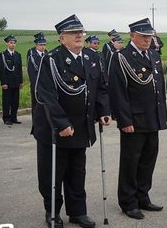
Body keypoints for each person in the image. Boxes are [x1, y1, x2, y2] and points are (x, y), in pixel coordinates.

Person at [32, 14, 111, 228]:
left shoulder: (92, 57)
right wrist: (61, 123)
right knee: (53, 174)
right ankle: (52, 212)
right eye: (72, 33)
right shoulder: (51, 59)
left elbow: (101, 88)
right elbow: (44, 94)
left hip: (82, 126)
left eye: (80, 32)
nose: (78, 35)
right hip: (55, 128)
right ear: (61, 38)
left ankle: (77, 212)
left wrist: (103, 111)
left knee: (77, 171)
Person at [107, 18, 167, 220]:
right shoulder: (122, 57)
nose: (147, 40)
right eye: (143, 36)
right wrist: (125, 121)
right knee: (131, 162)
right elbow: (118, 91)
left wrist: (162, 115)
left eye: (149, 36)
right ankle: (128, 201)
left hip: (152, 118)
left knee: (148, 160)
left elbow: (159, 87)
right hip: (135, 120)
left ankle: (143, 196)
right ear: (132, 36)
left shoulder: (153, 55)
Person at [0, 35, 23, 125]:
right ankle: (6, 118)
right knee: (7, 101)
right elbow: (1, 70)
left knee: (15, 102)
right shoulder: (3, 55)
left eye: (14, 43)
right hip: (7, 83)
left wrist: (21, 82)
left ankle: (14, 117)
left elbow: (19, 69)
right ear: (7, 43)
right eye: (11, 43)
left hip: (16, 82)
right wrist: (3, 82)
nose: (12, 45)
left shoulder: (18, 55)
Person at [27, 32, 48, 118]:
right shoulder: (32, 55)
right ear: (36, 45)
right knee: (36, 103)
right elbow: (31, 72)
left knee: (45, 103)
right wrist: (36, 85)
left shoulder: (46, 53)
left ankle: (44, 119)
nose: (43, 46)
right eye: (40, 45)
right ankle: (35, 121)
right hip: (36, 84)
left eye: (44, 44)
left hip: (45, 84)